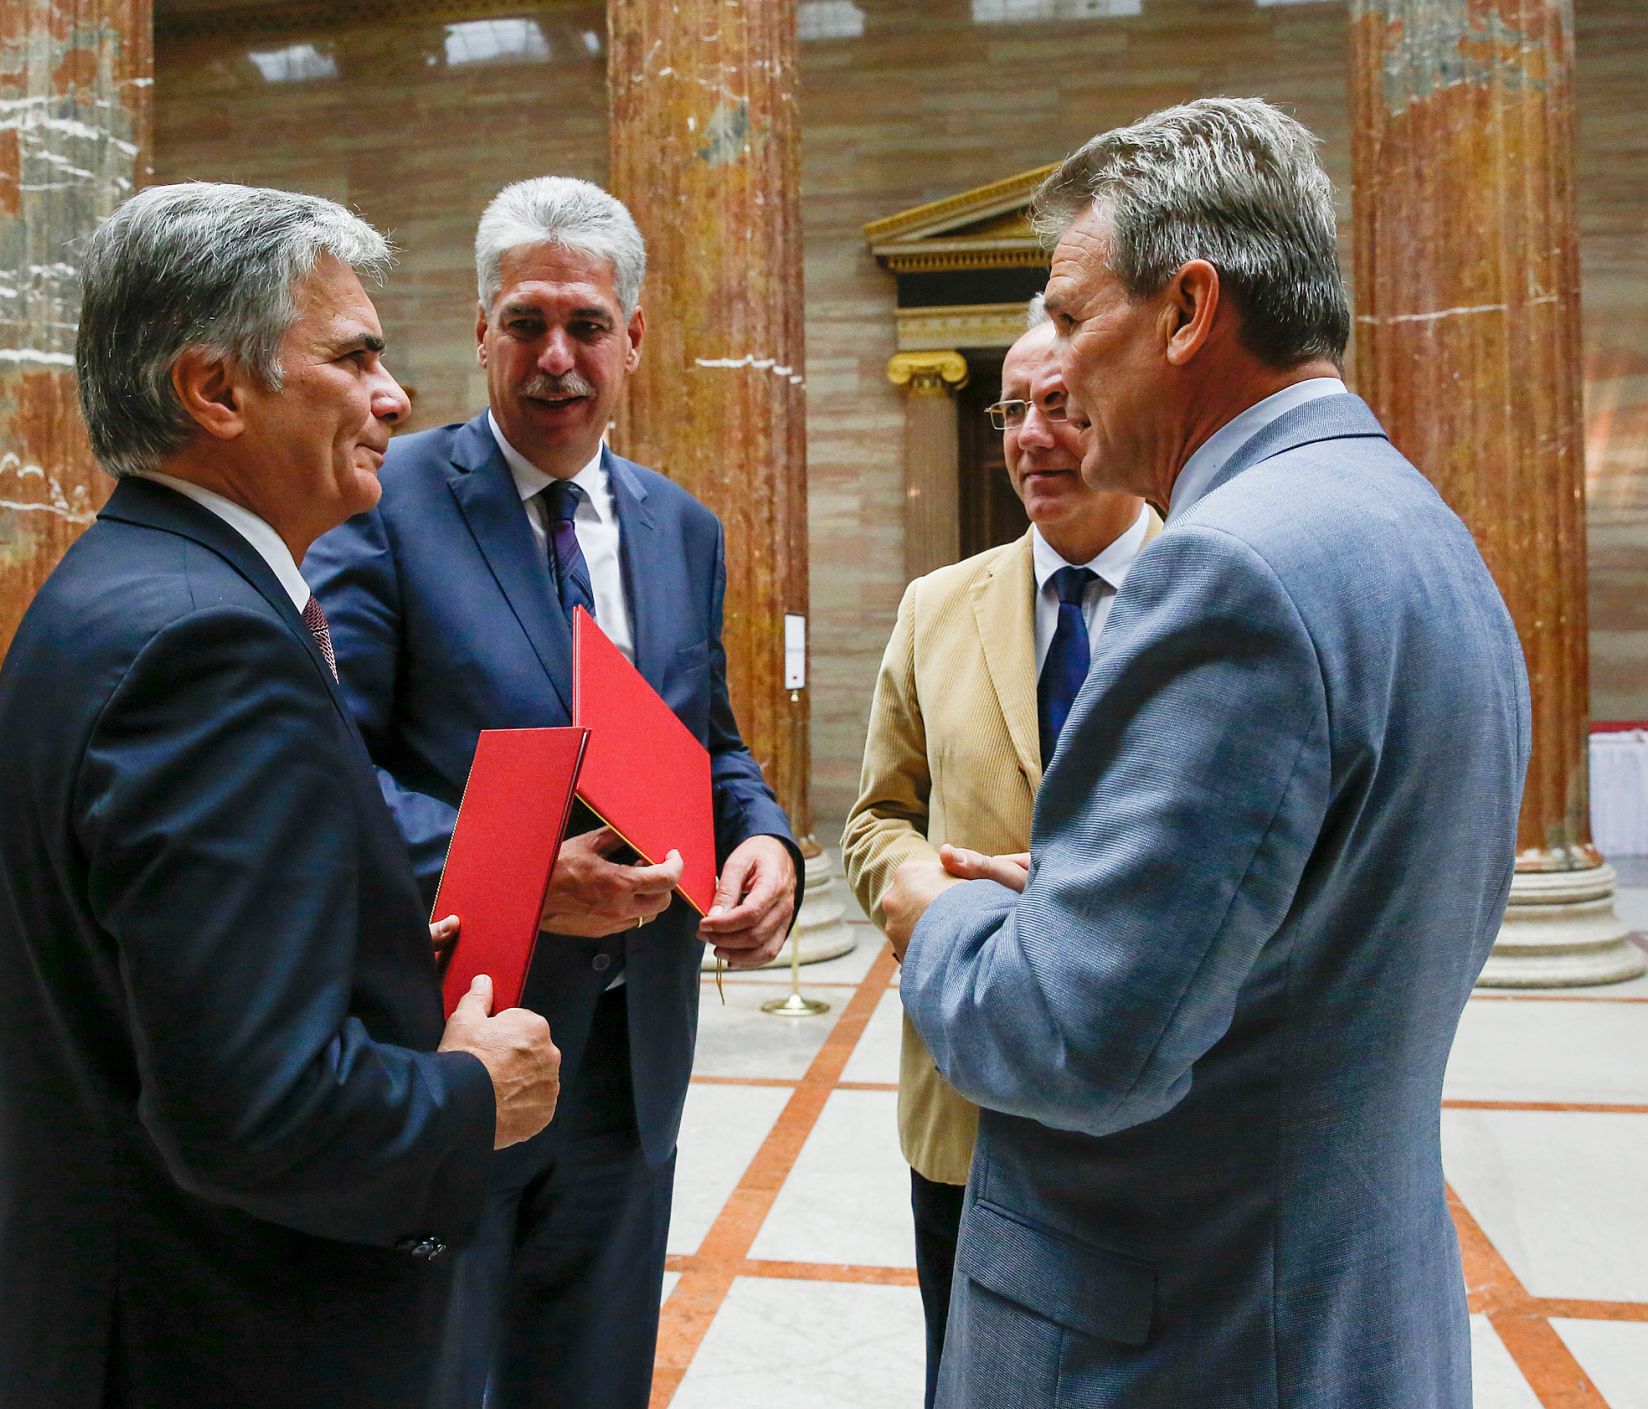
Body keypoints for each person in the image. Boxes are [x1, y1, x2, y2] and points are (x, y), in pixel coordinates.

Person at [882, 98, 1530, 1408]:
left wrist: (933, 912)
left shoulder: (1228, 567)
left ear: (1186, 311)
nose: (1054, 375)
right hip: (1339, 1305)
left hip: (1183, 1335)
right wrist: (1083, 910)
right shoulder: (1420, 526)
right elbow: (1307, 932)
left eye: (1072, 317)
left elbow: (1077, 1045)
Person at [0, 182, 563, 1409]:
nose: (394, 396)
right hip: (224, 1340)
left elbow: (158, 978)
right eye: (353, 356)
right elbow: (254, 1110)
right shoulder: (210, 646)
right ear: (214, 390)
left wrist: (369, 950)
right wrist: (469, 1094)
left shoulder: (122, 586)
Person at [304, 174, 802, 1409]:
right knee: (431, 1371)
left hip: (633, 1057)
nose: (556, 356)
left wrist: (764, 840)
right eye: (526, 322)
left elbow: (710, 740)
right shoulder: (385, 503)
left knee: (591, 1375)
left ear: (634, 337)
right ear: (481, 331)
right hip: (455, 1038)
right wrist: (520, 876)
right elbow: (328, 766)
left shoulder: (682, 527)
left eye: (586, 324)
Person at [842, 301, 1156, 1409]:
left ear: (1123, 405)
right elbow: (877, 815)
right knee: (966, 1376)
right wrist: (927, 897)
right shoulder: (935, 606)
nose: (1029, 435)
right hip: (965, 1099)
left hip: (1152, 1105)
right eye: (1012, 409)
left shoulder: (1211, 588)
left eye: (1060, 405)